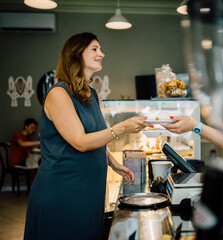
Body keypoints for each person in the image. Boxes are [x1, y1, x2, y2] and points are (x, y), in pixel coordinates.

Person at [24, 32, 152, 240]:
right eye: (95, 49)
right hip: (63, 192)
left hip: (89, 191)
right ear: (76, 54)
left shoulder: (92, 94)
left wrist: (113, 163)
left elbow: (94, 135)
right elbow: (81, 142)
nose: (102, 53)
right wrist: (122, 127)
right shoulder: (58, 94)